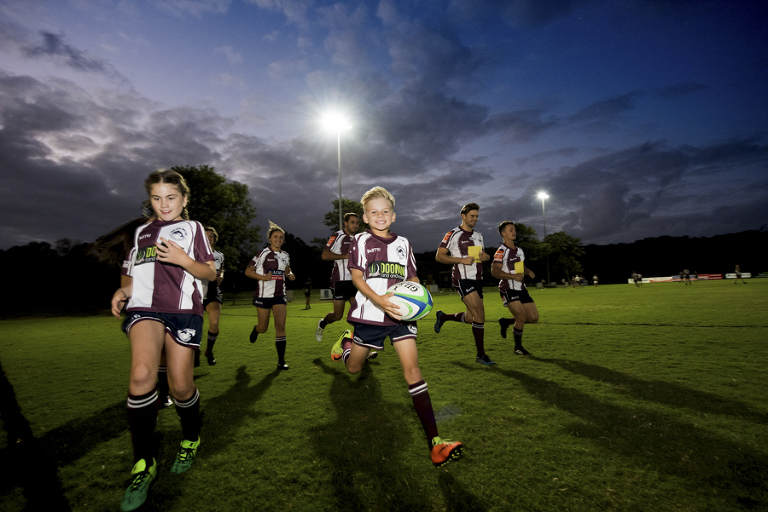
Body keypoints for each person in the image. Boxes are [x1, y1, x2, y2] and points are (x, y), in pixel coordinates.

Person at [329, 186, 463, 467]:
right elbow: (356, 276)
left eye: (385, 211)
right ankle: (346, 344)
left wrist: (419, 296)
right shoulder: (361, 241)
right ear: (366, 217)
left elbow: (411, 275)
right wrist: (379, 300)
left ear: (393, 215)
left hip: (401, 318)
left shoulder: (404, 242)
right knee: (354, 368)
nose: (380, 216)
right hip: (370, 316)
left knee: (413, 370)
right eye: (374, 212)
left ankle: (435, 444)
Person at [108, 170, 216, 512]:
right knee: (141, 376)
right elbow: (132, 273)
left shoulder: (194, 228)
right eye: (156, 198)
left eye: (171, 197)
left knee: (181, 386)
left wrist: (186, 261)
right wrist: (124, 290)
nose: (163, 204)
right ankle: (143, 463)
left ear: (184, 200)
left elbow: (210, 272)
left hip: (183, 311)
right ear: (149, 199)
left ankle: (191, 436)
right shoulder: (141, 233)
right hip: (144, 308)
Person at [433, 202, 495, 365]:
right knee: (480, 314)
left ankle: (444, 317)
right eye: (472, 216)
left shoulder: (479, 235)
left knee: (470, 317)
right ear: (463, 216)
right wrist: (461, 259)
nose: (475, 219)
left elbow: (484, 255)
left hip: (477, 279)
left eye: (476, 216)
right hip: (462, 278)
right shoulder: (452, 234)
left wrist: (486, 257)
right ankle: (481, 356)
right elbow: (439, 256)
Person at [246, 221, 296, 370]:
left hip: (280, 295)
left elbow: (287, 271)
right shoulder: (262, 254)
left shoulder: (285, 255)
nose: (278, 240)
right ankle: (256, 330)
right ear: (270, 239)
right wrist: (263, 278)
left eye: (281, 237)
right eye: (275, 237)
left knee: (280, 326)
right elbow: (248, 272)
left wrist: (291, 275)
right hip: (263, 295)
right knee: (263, 327)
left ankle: (281, 361)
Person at [492, 221, 539, 356]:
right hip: (508, 288)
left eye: (514, 230)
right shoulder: (501, 251)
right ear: (503, 234)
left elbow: (520, 267)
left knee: (533, 318)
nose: (514, 232)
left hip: (521, 288)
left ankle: (506, 321)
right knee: (521, 316)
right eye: (510, 230)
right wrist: (512, 276)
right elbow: (495, 272)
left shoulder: (519, 250)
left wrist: (528, 271)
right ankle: (518, 348)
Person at [315, 213, 360, 341]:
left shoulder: (359, 238)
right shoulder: (337, 235)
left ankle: (363, 348)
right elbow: (325, 255)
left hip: (355, 281)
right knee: (337, 315)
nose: (355, 225)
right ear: (345, 223)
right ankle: (322, 323)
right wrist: (344, 256)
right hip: (340, 281)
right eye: (352, 222)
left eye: (357, 223)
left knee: (360, 313)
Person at [201, 226, 225, 365]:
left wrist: (221, 276)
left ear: (214, 239)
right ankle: (194, 351)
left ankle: (209, 350)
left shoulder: (219, 255)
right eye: (206, 235)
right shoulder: (194, 252)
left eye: (211, 236)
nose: (208, 238)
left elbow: (221, 270)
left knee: (214, 322)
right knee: (194, 325)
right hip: (196, 288)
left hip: (212, 289)